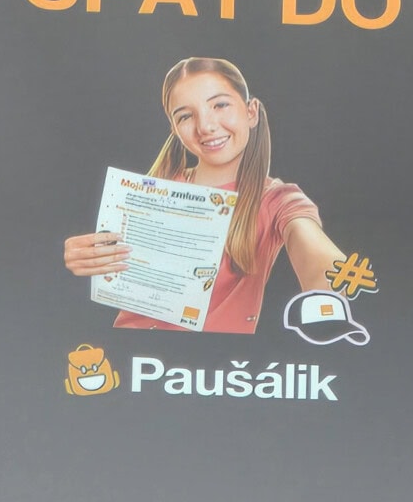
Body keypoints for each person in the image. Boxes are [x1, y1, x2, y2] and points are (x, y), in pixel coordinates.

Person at [64, 57, 346, 334]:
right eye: (186, 116)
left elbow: (317, 254)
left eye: (220, 105)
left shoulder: (276, 199)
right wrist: (83, 257)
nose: (205, 127)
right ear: (175, 128)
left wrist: (328, 290)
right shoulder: (154, 187)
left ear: (251, 112)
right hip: (130, 350)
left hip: (209, 360)